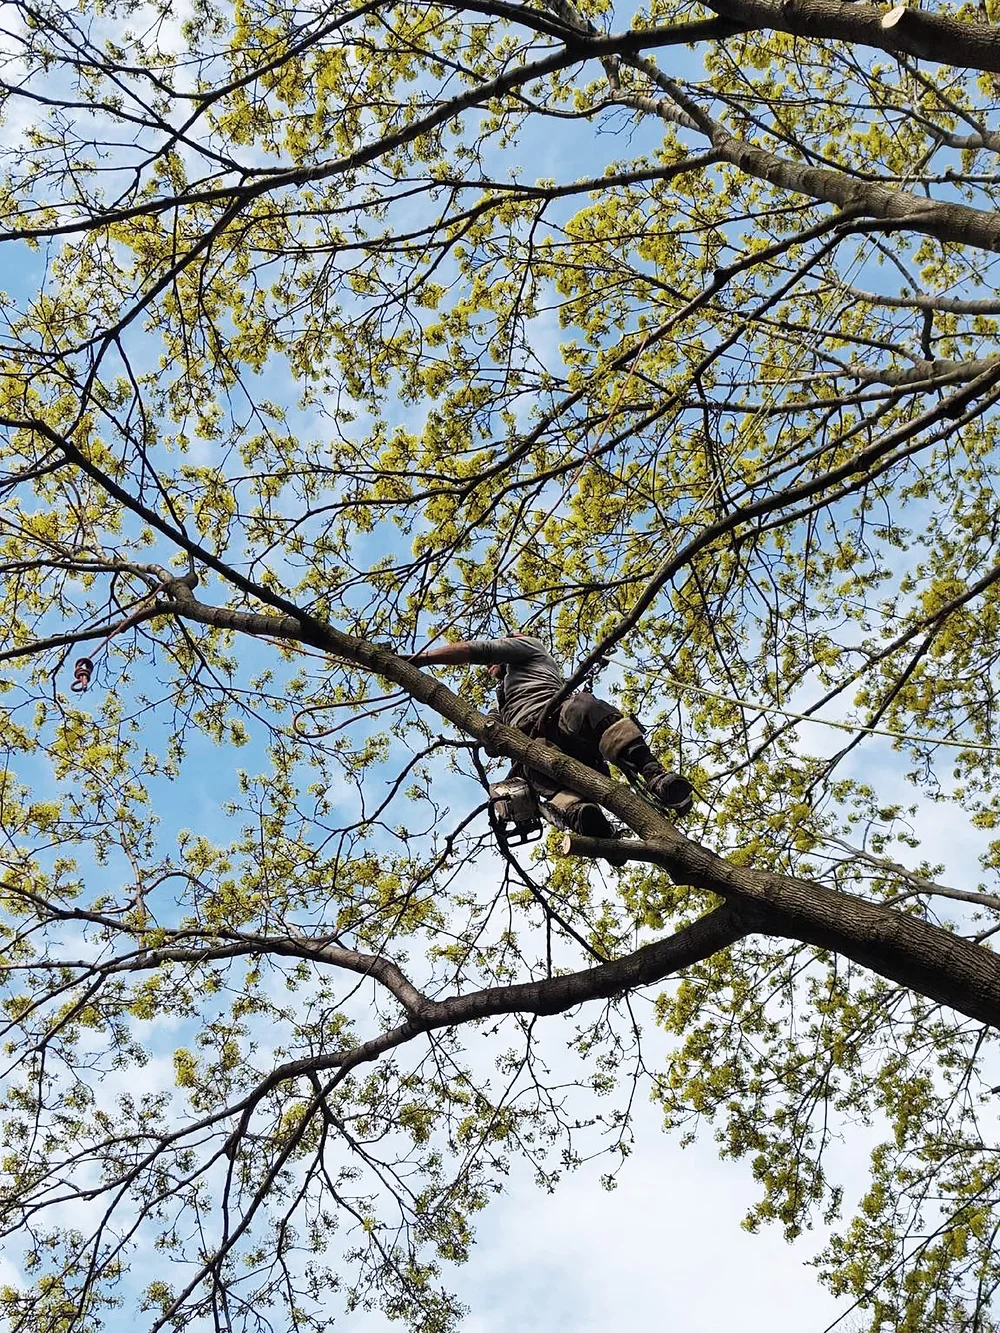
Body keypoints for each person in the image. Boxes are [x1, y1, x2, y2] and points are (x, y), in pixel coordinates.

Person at [411, 633, 693, 838]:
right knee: (528, 764)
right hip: (538, 746)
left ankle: (654, 774)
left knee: (584, 706)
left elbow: (480, 650)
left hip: (560, 719)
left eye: (495, 659)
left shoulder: (529, 647)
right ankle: (581, 814)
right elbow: (492, 742)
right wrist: (490, 733)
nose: (489, 667)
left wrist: (419, 660)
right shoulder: (503, 701)